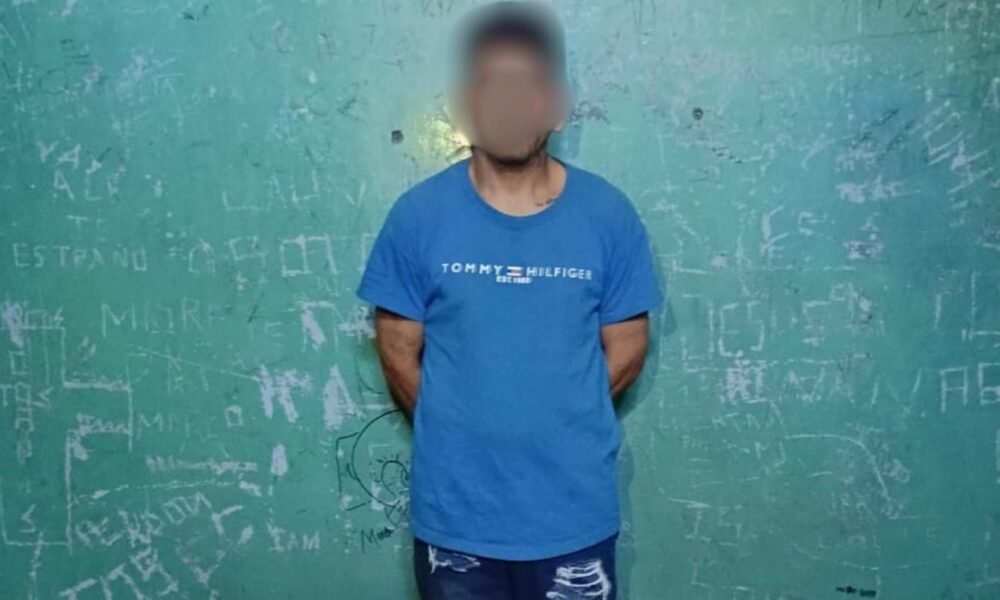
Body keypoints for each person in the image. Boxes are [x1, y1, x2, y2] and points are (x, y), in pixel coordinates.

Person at [355, 1, 665, 598]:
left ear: (558, 106)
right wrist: (464, 424)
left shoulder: (608, 216)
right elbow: (397, 353)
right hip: (455, 522)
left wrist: (554, 414)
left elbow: (627, 349)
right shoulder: (418, 218)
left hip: (574, 518)